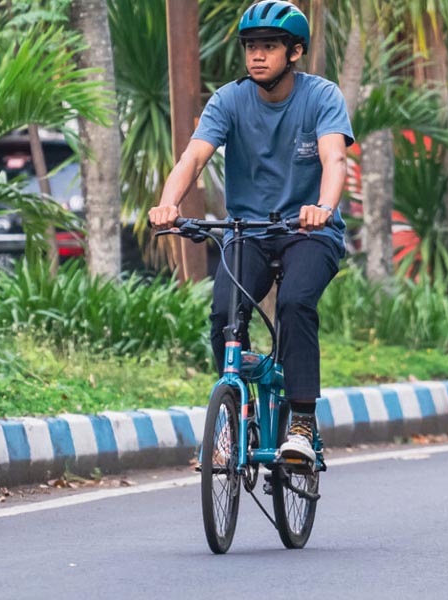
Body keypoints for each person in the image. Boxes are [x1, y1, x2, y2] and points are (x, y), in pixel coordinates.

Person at [148, 0, 353, 465]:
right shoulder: (229, 100)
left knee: (297, 303)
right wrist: (168, 204)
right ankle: (232, 417)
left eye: (269, 47)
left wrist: (323, 208)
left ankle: (301, 419)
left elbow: (334, 159)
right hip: (250, 231)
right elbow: (193, 157)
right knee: (224, 314)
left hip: (309, 232)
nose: (257, 56)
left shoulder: (321, 97)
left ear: (294, 52)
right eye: (251, 47)